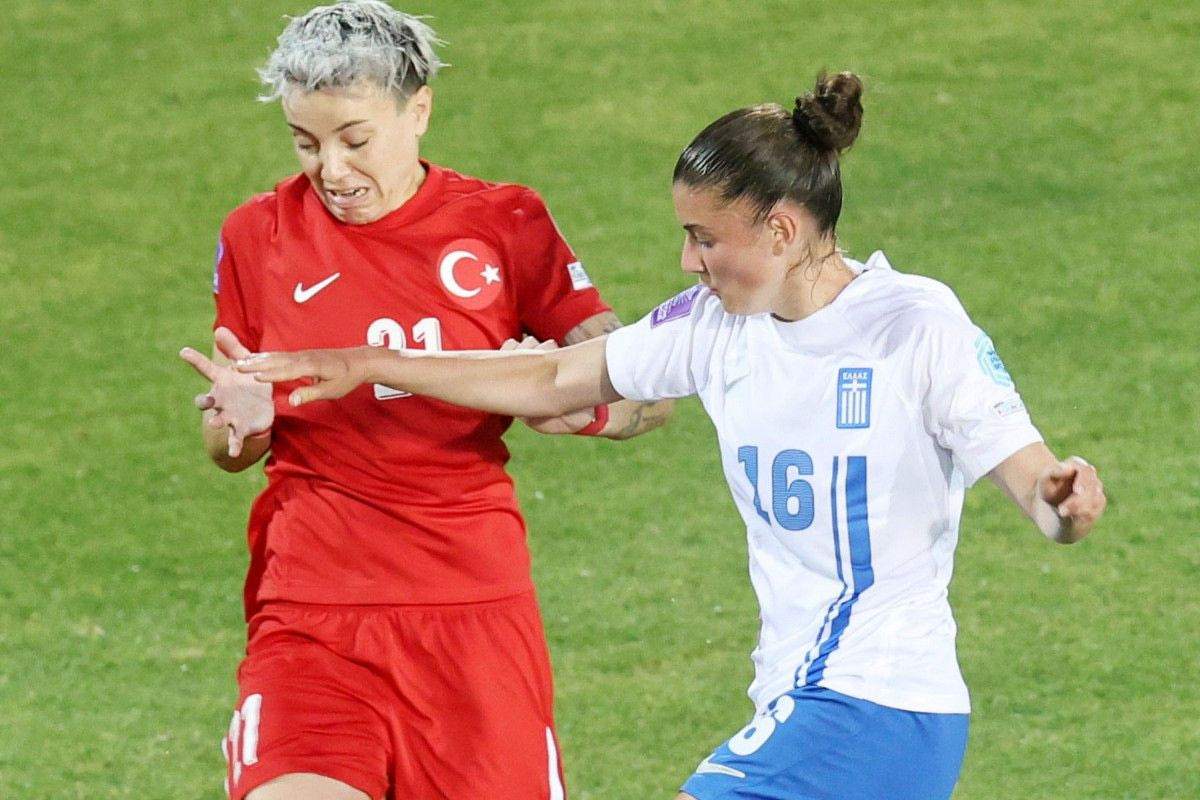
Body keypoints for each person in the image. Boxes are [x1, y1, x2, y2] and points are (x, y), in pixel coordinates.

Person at [229, 71, 1108, 800]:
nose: (688, 261)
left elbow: (1032, 480)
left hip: (876, 701)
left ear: (780, 229)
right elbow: (553, 376)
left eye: (704, 238)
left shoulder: (914, 324)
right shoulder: (715, 325)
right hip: (799, 698)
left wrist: (1059, 502)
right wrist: (365, 363)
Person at [179, 2, 671, 798]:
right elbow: (227, 446)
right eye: (306, 142)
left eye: (355, 140)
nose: (331, 170)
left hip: (473, 614)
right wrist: (243, 426)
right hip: (312, 611)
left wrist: (584, 407)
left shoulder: (506, 223)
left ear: (419, 110)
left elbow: (647, 391)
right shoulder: (257, 235)